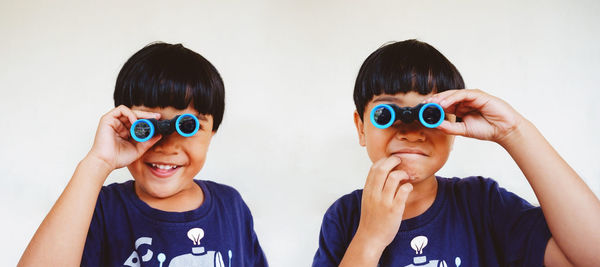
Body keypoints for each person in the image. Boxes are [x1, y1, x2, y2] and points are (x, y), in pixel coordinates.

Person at [312, 39, 600, 267]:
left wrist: (514, 132)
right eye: (387, 113)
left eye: (431, 114)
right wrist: (369, 239)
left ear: (455, 128)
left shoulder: (482, 204)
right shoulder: (345, 216)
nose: (411, 131)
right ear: (361, 128)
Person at [19, 42, 268, 266]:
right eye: (145, 126)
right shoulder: (100, 209)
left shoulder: (231, 207)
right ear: (125, 124)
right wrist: (98, 162)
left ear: (212, 131)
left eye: (188, 126)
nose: (165, 146)